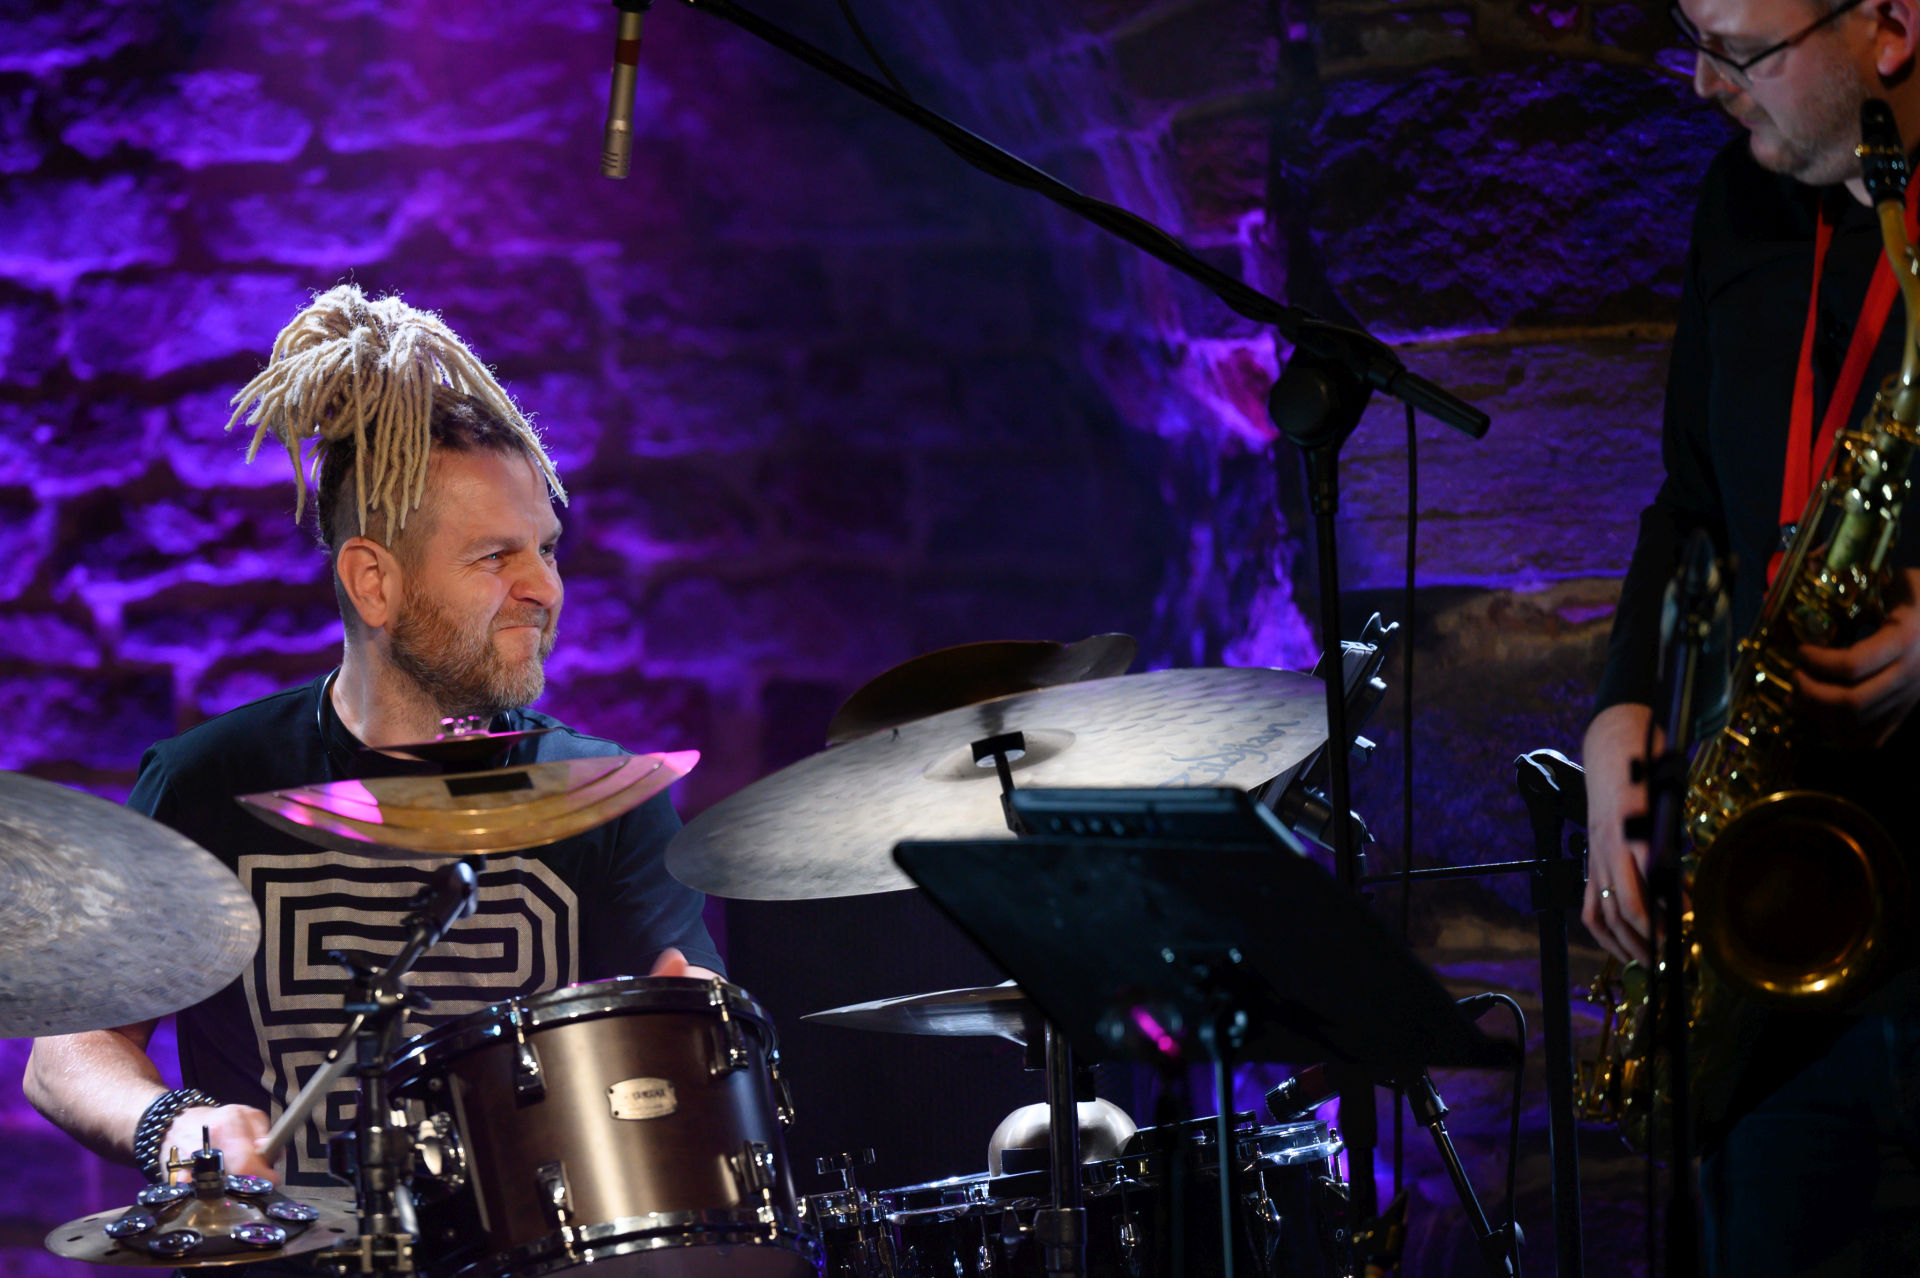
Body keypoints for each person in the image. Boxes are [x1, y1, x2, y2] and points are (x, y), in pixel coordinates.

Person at [23, 285, 722, 1198]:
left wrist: (691, 1022)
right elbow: (66, 1053)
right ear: (373, 583)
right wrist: (175, 1125)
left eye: (547, 549)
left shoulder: (605, 797)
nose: (545, 588)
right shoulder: (207, 784)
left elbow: (694, 1020)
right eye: (495, 556)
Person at [1582, 0, 1920, 1270]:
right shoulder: (1742, 203)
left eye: (1738, 48)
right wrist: (1624, 710)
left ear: (1891, 26)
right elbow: (1692, 504)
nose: (1702, 82)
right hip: (1785, 940)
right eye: (1693, 34)